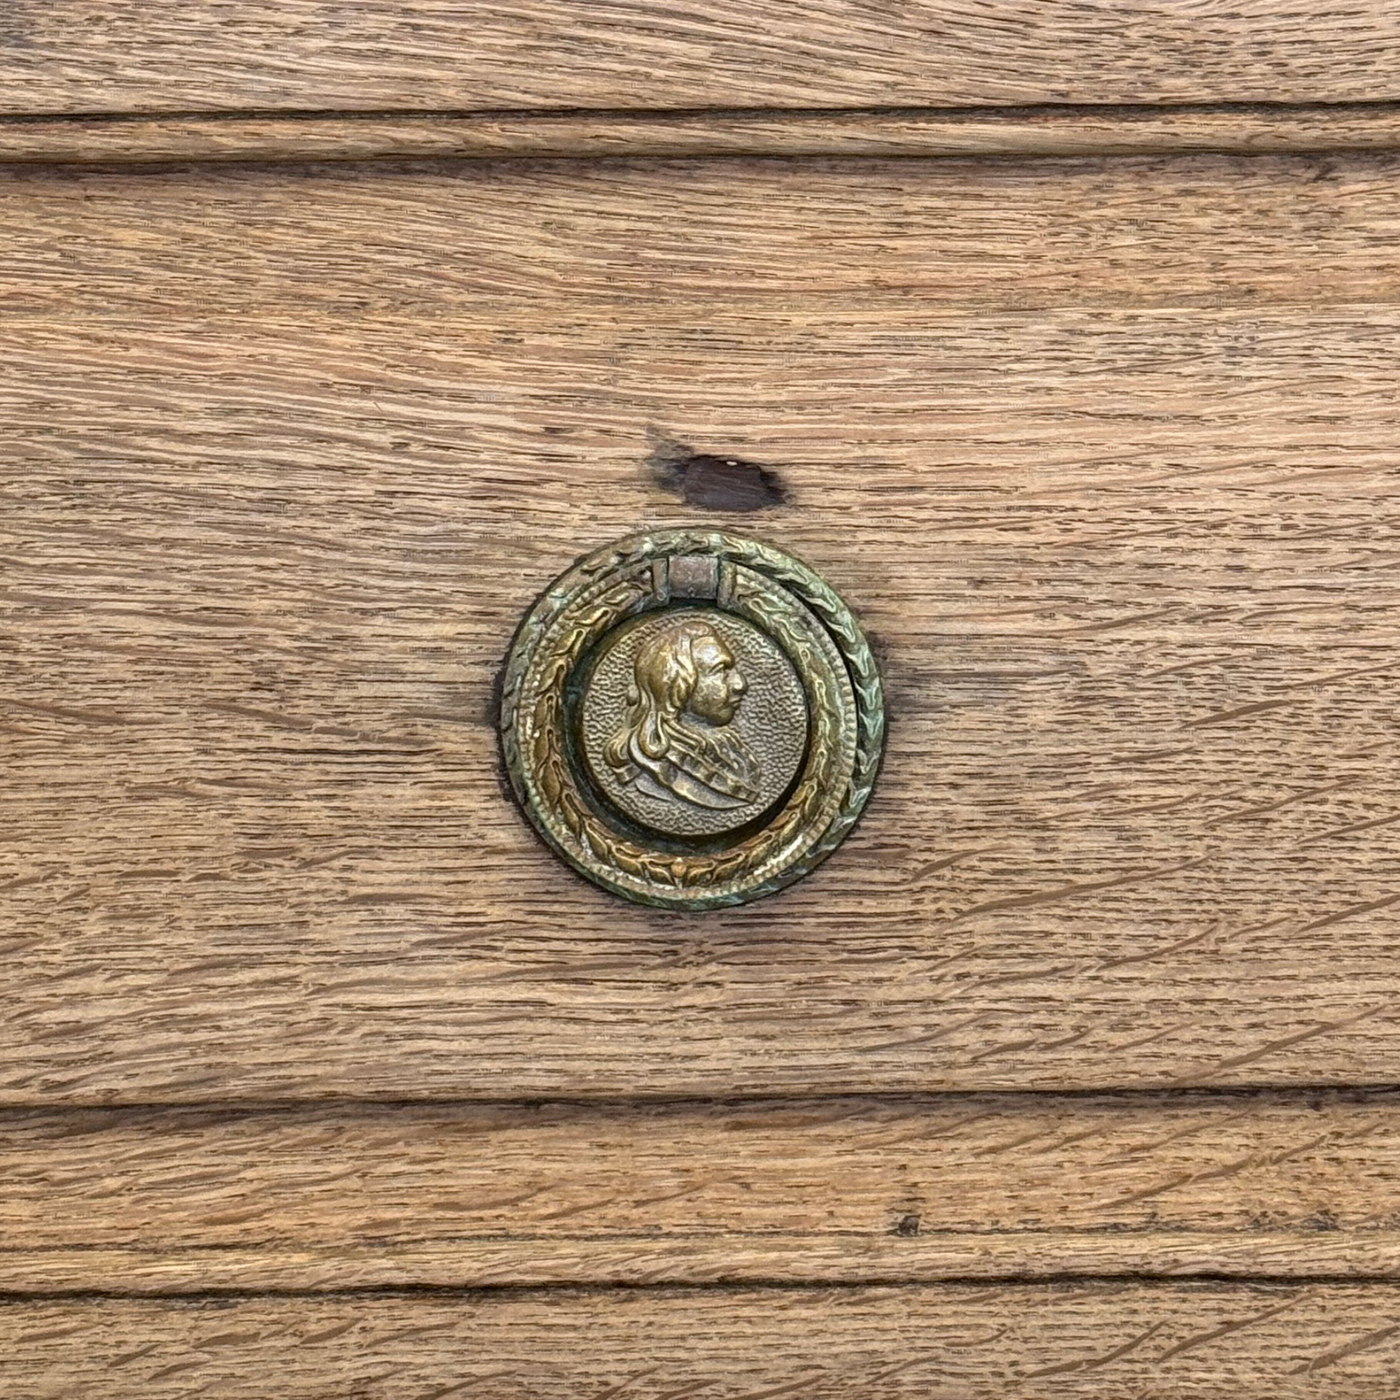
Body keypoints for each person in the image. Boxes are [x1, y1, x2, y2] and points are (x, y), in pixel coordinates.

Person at [605, 616, 761, 811]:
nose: (740, 684)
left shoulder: (730, 750)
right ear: (677, 688)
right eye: (721, 670)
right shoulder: (654, 773)